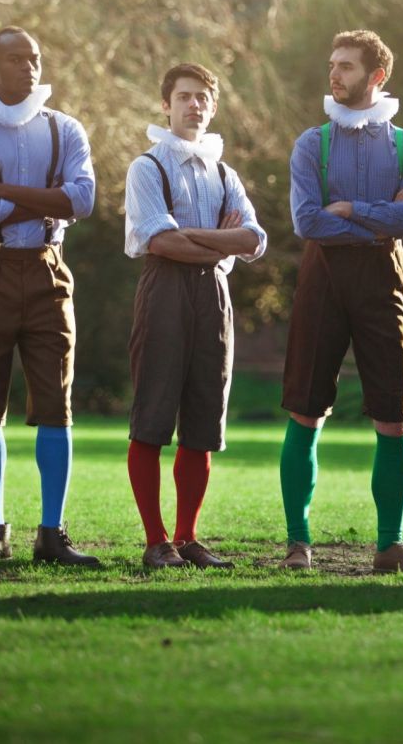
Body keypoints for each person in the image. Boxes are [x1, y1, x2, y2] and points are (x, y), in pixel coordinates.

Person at [278, 30, 403, 572]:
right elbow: (307, 221)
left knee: (394, 417)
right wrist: (373, 216)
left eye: (345, 65)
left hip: (382, 282)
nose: (334, 73)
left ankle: (389, 546)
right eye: (332, 63)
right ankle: (298, 544)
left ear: (377, 76)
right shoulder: (310, 144)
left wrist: (347, 209)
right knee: (305, 411)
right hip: (322, 281)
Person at [0, 26, 100, 566]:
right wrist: (45, 201)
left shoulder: (66, 128)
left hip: (47, 273)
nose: (28, 67)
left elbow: (82, 200)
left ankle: (52, 534)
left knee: (56, 406)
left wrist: (6, 193)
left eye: (33, 58)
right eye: (14, 59)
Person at [124, 63, 266, 571]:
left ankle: (187, 538)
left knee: (203, 422)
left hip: (215, 296)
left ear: (212, 105)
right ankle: (156, 540)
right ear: (166, 104)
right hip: (163, 290)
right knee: (152, 417)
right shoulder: (148, 167)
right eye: (184, 96)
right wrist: (218, 241)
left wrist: (196, 238)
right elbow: (159, 241)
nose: (194, 105)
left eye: (203, 97)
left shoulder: (225, 173)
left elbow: (253, 239)